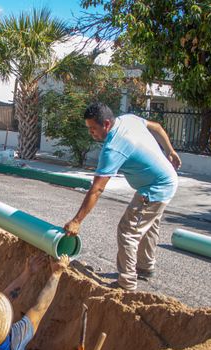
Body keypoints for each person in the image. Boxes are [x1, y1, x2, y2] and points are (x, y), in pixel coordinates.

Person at [64, 103, 181, 291]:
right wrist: (170, 151)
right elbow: (158, 128)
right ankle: (145, 267)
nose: (91, 133)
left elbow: (97, 189)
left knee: (128, 230)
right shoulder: (129, 119)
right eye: (89, 129)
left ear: (107, 124)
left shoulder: (113, 148)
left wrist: (77, 221)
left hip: (156, 187)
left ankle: (126, 283)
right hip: (166, 180)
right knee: (147, 225)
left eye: (93, 128)